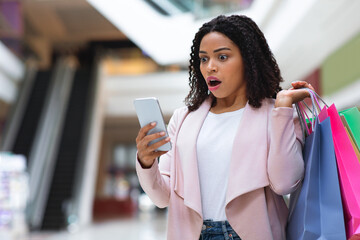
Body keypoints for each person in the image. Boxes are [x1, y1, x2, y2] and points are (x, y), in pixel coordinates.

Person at [135, 15, 314, 240]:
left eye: (222, 57)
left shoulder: (276, 115)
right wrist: (146, 162)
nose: (210, 67)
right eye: (203, 59)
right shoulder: (182, 120)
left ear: (248, 60)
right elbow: (162, 198)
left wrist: (283, 107)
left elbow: (284, 183)